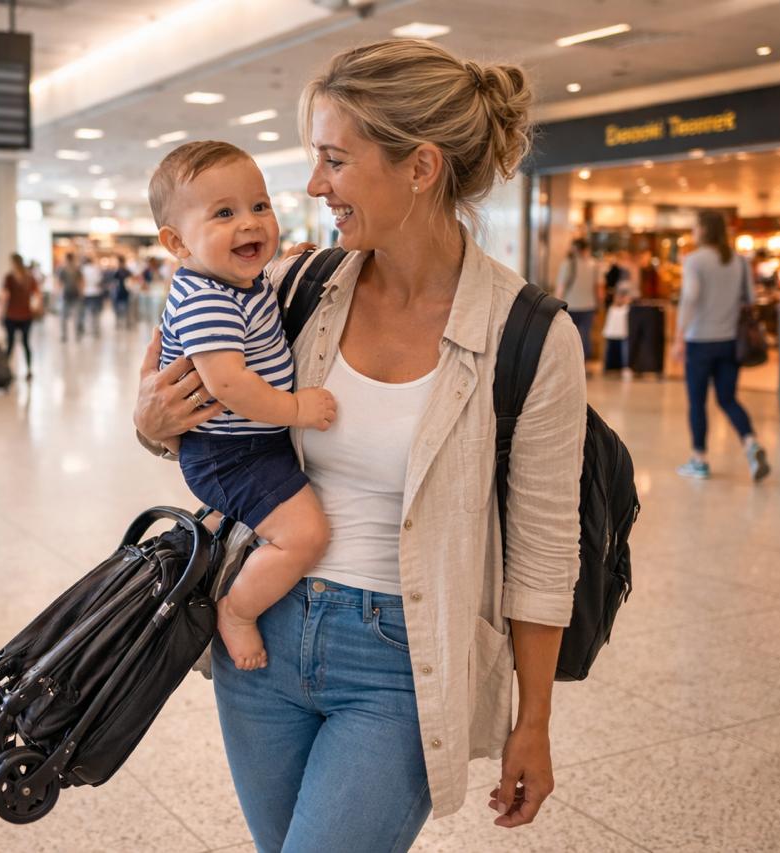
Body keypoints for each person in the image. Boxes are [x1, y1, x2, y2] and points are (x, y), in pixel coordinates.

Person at [134, 39, 583, 850]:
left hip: (404, 664)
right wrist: (152, 425)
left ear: (420, 167)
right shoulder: (295, 286)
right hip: (261, 633)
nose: (312, 187)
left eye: (335, 160)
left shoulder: (530, 336)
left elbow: (546, 551)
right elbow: (181, 406)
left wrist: (534, 719)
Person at [150, 140, 336, 670]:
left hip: (246, 446)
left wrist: (288, 265)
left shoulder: (240, 284)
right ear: (178, 242)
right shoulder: (209, 298)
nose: (250, 223)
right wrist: (297, 409)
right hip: (231, 453)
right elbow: (228, 383)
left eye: (260, 206)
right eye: (224, 213)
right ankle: (237, 611)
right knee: (304, 537)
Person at [670, 211, 771, 482]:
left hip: (699, 341)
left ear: (703, 229)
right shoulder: (738, 261)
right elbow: (749, 298)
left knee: (697, 402)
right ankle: (751, 443)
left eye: (695, 227)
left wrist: (678, 337)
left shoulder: (694, 261)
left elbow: (690, 298)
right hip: (730, 342)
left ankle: (699, 460)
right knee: (727, 398)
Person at [555, 238, 600, 362]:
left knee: (568, 335)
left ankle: (569, 361)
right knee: (585, 336)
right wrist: (599, 306)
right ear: (586, 249)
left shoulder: (567, 264)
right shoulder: (594, 264)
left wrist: (555, 305)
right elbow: (598, 288)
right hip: (589, 306)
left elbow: (561, 287)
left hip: (569, 306)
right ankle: (584, 364)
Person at [0, 252, 40, 380]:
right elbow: (37, 295)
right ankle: (28, 370)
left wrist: (0, 312)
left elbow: (4, 296)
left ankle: (6, 370)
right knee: (25, 343)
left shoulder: (10, 277)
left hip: (13, 315)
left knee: (10, 344)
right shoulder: (29, 277)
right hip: (25, 315)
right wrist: (35, 306)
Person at [56, 252, 82, 343]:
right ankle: (68, 335)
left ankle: (71, 334)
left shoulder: (75, 269)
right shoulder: (64, 270)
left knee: (70, 316)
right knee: (70, 316)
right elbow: (59, 283)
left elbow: (81, 281)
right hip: (68, 295)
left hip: (71, 294)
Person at [79, 255, 104, 338]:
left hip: (86, 293)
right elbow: (99, 280)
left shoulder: (83, 270)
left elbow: (81, 282)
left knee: (87, 311)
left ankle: (89, 329)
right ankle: (96, 329)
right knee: (96, 312)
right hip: (96, 292)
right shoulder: (95, 269)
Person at [111, 254, 132, 329]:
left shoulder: (125, 271)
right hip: (119, 292)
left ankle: (125, 322)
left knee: (125, 308)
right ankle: (119, 322)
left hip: (124, 291)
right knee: (118, 308)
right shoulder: (118, 272)